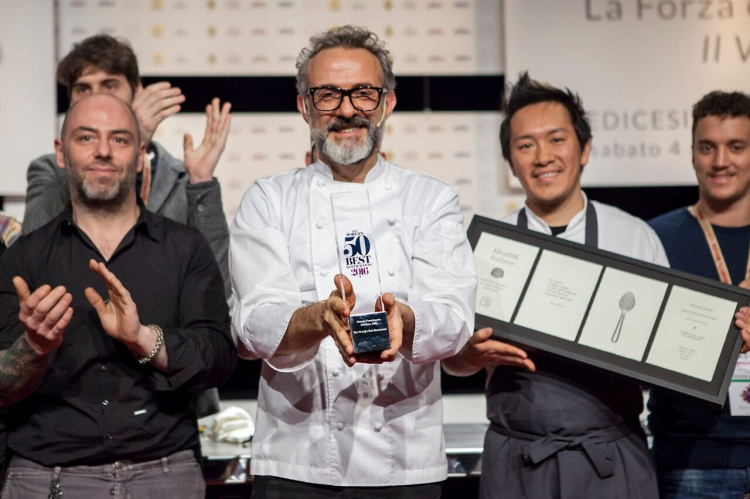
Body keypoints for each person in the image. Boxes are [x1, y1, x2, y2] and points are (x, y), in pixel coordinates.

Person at [230, 26, 476, 498]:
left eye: (364, 93)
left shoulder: (430, 198)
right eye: (327, 95)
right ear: (304, 106)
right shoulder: (268, 199)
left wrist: (406, 318)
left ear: (387, 103)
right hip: (294, 460)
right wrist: (318, 318)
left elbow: (455, 318)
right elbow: (253, 323)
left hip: (405, 462)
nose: (347, 109)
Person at [443, 73, 670, 499]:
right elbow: (451, 360)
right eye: (525, 145)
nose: (542, 156)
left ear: (584, 149)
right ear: (510, 163)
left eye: (556, 139)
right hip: (517, 460)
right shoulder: (482, 247)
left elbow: (670, 347)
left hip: (611, 458)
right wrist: (467, 355)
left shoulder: (635, 236)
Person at [0, 93, 236, 497]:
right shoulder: (25, 255)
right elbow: (4, 389)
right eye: (86, 138)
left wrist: (145, 339)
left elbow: (219, 358)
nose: (104, 151)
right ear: (61, 152)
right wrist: (34, 347)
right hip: (46, 478)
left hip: (164, 475)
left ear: (141, 152)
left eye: (120, 139)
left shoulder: (185, 247)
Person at [23, 34, 232, 302]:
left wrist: (201, 181)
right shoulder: (50, 169)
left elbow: (218, 294)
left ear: (138, 93)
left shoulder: (183, 178)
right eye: (84, 89)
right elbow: (35, 264)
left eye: (109, 86)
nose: (97, 97)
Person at [648, 90, 750, 498]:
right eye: (707, 147)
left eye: (736, 147)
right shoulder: (655, 238)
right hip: (691, 460)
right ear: (692, 154)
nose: (720, 161)